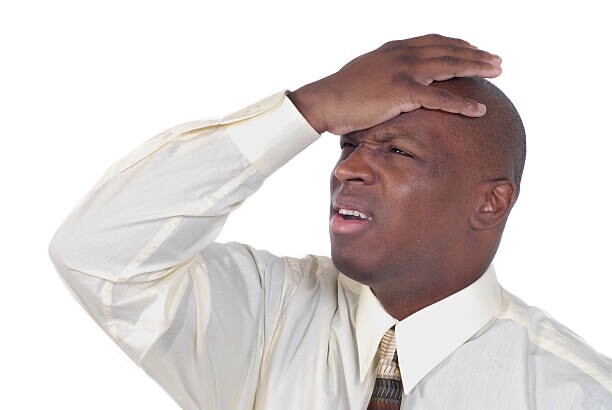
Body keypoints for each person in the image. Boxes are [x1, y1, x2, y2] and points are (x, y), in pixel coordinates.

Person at [48, 34, 612, 409]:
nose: (348, 168)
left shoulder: (574, 394)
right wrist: (309, 108)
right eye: (347, 143)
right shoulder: (263, 314)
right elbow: (97, 254)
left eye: (398, 152)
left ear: (491, 202)